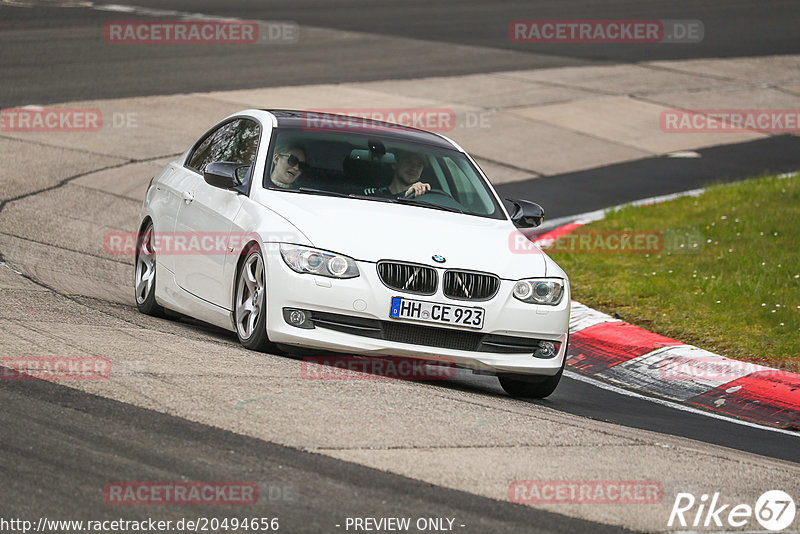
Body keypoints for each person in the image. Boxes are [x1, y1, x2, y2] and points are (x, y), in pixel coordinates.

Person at [363, 150, 431, 198]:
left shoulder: (424, 198)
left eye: (419, 165)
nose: (414, 168)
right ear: (395, 165)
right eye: (408, 162)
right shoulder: (374, 194)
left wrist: (418, 193)